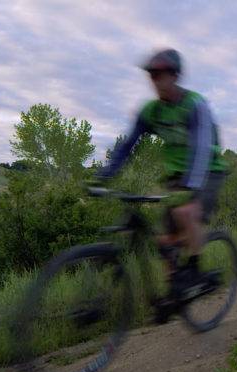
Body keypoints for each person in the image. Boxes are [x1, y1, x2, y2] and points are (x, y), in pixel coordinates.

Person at [97, 49, 228, 321]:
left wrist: (190, 189)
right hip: (176, 177)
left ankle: (195, 269)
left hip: (207, 170)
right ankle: (174, 296)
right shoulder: (151, 112)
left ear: (175, 75)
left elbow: (203, 147)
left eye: (159, 74)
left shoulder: (194, 104)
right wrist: (104, 175)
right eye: (151, 74)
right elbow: (128, 145)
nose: (154, 80)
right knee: (164, 240)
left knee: (184, 212)